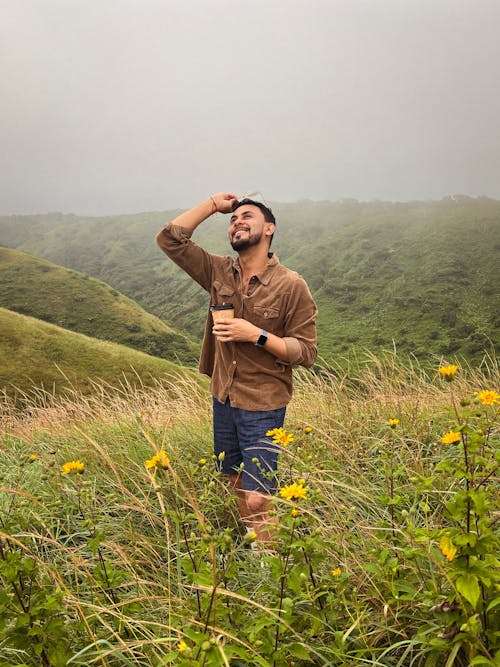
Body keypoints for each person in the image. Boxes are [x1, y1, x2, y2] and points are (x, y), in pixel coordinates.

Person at [156, 192, 317, 544]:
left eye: (248, 216)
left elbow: (305, 351)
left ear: (270, 229)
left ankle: (271, 565)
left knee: (260, 494)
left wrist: (256, 334)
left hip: (263, 401)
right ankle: (257, 545)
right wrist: (214, 205)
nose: (238, 221)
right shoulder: (217, 271)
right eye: (233, 219)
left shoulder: (291, 285)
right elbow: (170, 238)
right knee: (231, 480)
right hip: (224, 397)